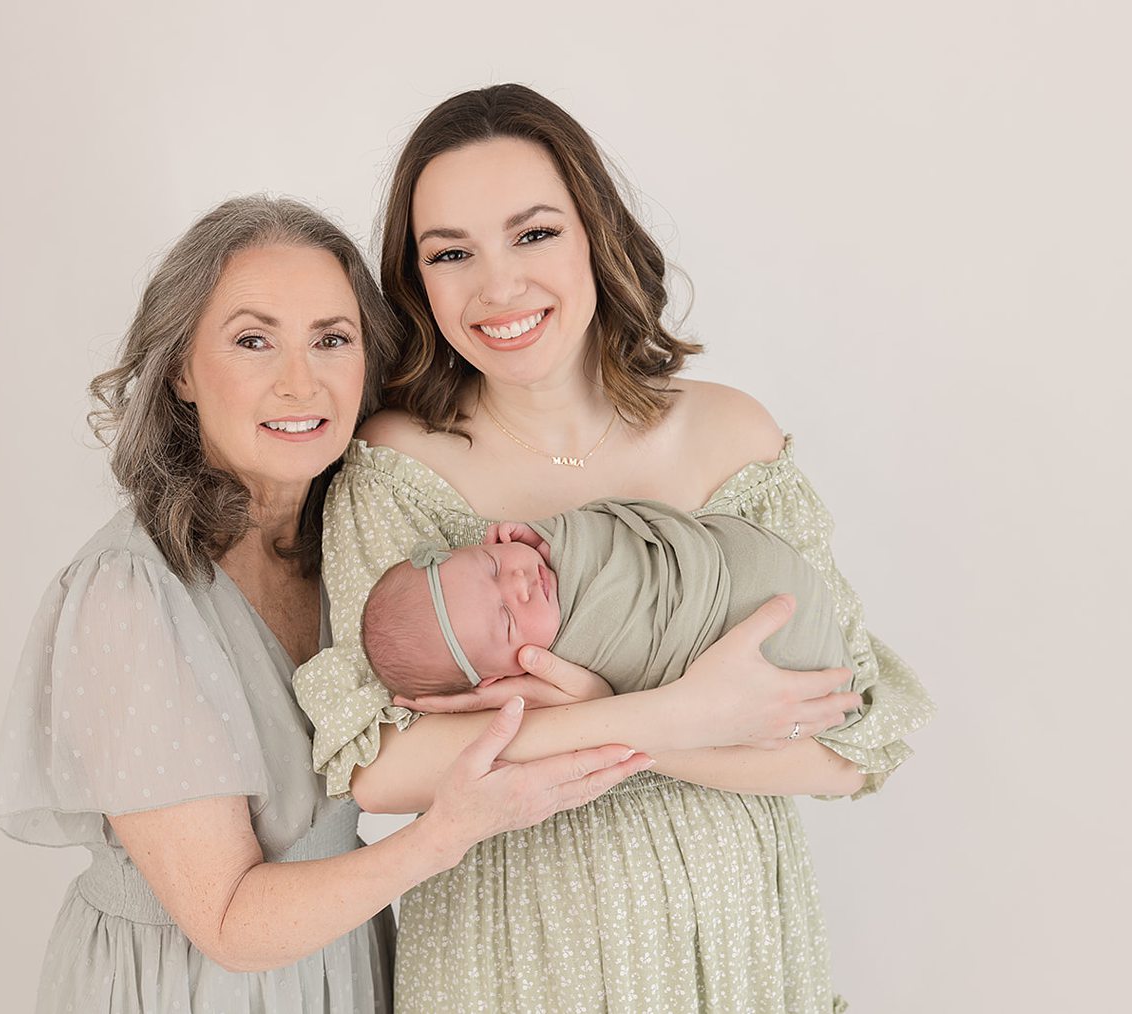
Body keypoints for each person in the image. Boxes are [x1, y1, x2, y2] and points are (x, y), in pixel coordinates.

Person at [293, 85, 936, 1012]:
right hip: (510, 963)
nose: (498, 286)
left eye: (535, 233)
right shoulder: (398, 467)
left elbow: (849, 746)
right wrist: (682, 716)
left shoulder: (730, 439)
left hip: (739, 960)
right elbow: (382, 769)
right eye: (451, 253)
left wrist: (627, 719)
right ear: (417, 281)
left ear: (596, 232)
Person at [0, 195, 654, 1014]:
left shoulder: (362, 556)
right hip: (189, 988)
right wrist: (447, 831)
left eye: (332, 340)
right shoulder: (129, 596)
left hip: (341, 962)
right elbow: (227, 921)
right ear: (182, 370)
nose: (301, 382)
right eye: (253, 341)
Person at [361, 502, 854, 702]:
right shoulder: (573, 659)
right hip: (766, 641)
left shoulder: (556, 549)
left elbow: (618, 534)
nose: (519, 584)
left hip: (735, 563)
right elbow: (641, 657)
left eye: (492, 565)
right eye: (508, 620)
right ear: (499, 677)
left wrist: (556, 538)